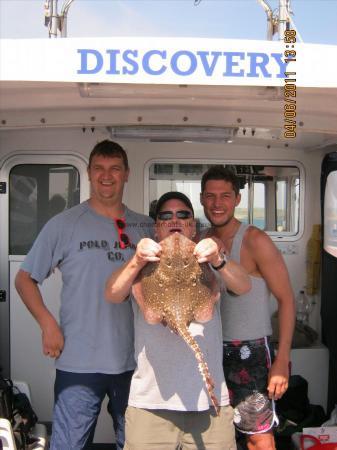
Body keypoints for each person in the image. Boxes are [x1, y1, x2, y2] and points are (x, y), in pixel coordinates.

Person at [14, 140, 154, 450]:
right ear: (89, 173)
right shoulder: (64, 224)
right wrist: (48, 324)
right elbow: (24, 279)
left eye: (115, 169)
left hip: (135, 362)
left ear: (127, 174)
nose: (107, 176)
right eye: (100, 169)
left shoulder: (144, 226)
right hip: (78, 360)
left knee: (136, 445)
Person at [105, 191, 251, 450]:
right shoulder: (143, 262)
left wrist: (218, 259)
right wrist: (137, 261)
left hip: (209, 402)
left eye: (184, 215)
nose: (175, 220)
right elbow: (113, 294)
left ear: (193, 226)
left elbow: (243, 286)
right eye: (166, 215)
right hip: (150, 404)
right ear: (157, 226)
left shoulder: (208, 258)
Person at [200, 166, 296, 450]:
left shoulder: (255, 240)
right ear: (202, 199)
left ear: (237, 200)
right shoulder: (202, 238)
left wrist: (282, 361)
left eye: (225, 196)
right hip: (211, 350)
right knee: (215, 435)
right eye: (210, 196)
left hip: (250, 353)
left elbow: (286, 299)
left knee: (258, 437)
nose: (218, 204)